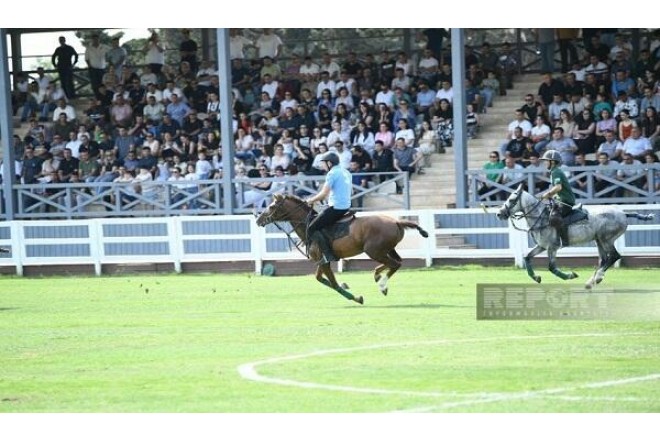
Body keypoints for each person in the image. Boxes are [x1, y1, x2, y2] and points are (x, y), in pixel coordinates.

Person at [305, 151, 352, 264]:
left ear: (329, 163)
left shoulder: (332, 173)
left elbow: (323, 194)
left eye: (323, 163)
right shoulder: (346, 172)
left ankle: (328, 255)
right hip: (345, 206)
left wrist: (310, 200)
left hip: (337, 207)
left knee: (311, 228)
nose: (322, 166)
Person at [540, 149, 576, 248]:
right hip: (561, 199)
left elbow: (558, 187)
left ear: (552, 162)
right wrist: (553, 196)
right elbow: (560, 190)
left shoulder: (555, 172)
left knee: (554, 217)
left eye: (546, 161)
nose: (544, 163)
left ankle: (564, 241)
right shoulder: (554, 171)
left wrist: (547, 194)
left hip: (566, 201)